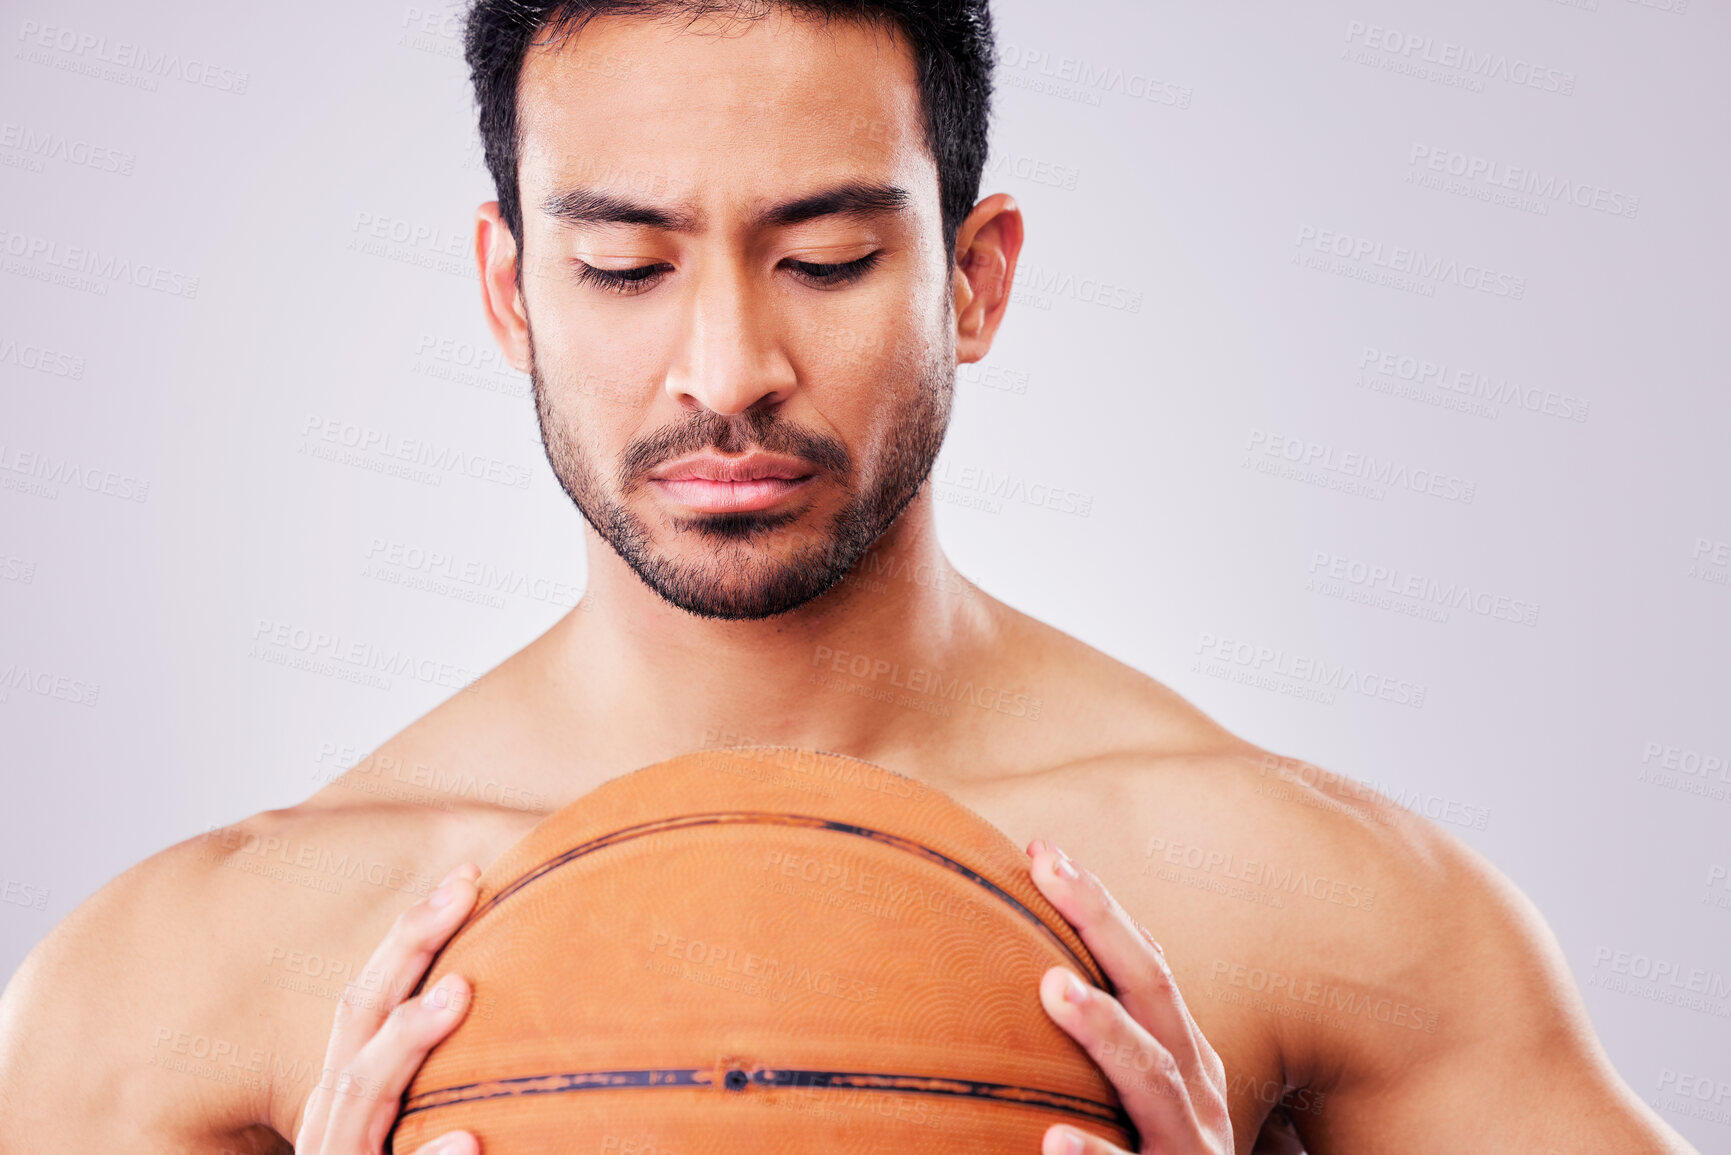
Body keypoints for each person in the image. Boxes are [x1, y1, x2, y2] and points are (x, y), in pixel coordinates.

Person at [0, 3, 1694, 1153]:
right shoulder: (187, 975)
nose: (724, 365)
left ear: (974, 275)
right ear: (513, 291)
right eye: (624, 264)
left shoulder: (1318, 904)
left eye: (824, 258)